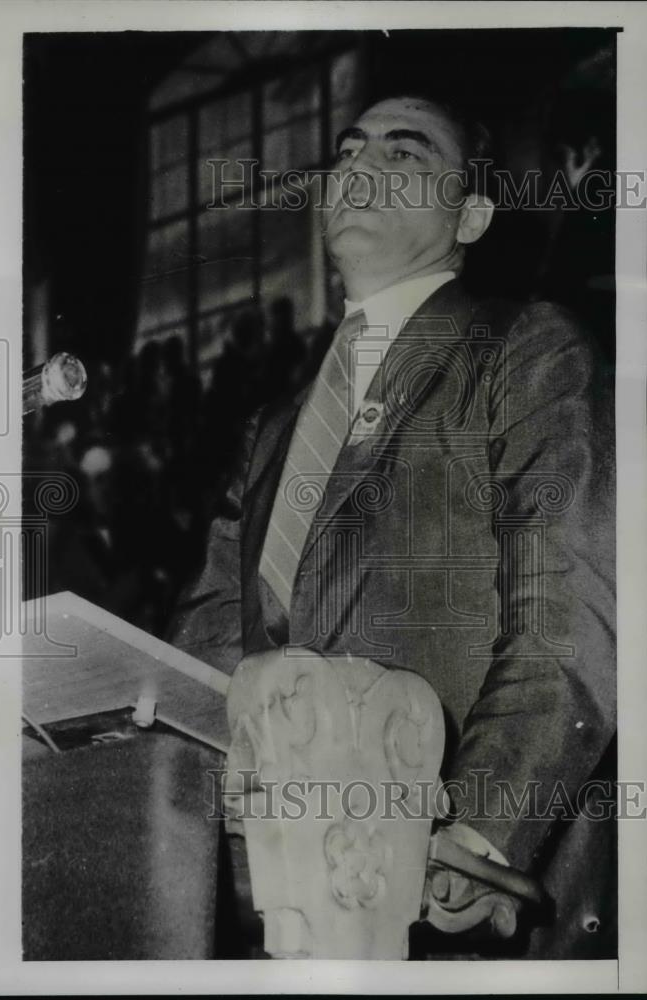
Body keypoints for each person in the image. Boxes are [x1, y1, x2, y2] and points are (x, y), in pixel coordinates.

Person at [167, 96, 616, 959]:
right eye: (349, 149)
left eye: (406, 155)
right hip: (281, 889)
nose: (361, 166)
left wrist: (477, 835)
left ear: (473, 213)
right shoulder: (271, 429)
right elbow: (207, 648)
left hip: (461, 905)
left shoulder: (528, 349)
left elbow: (571, 613)